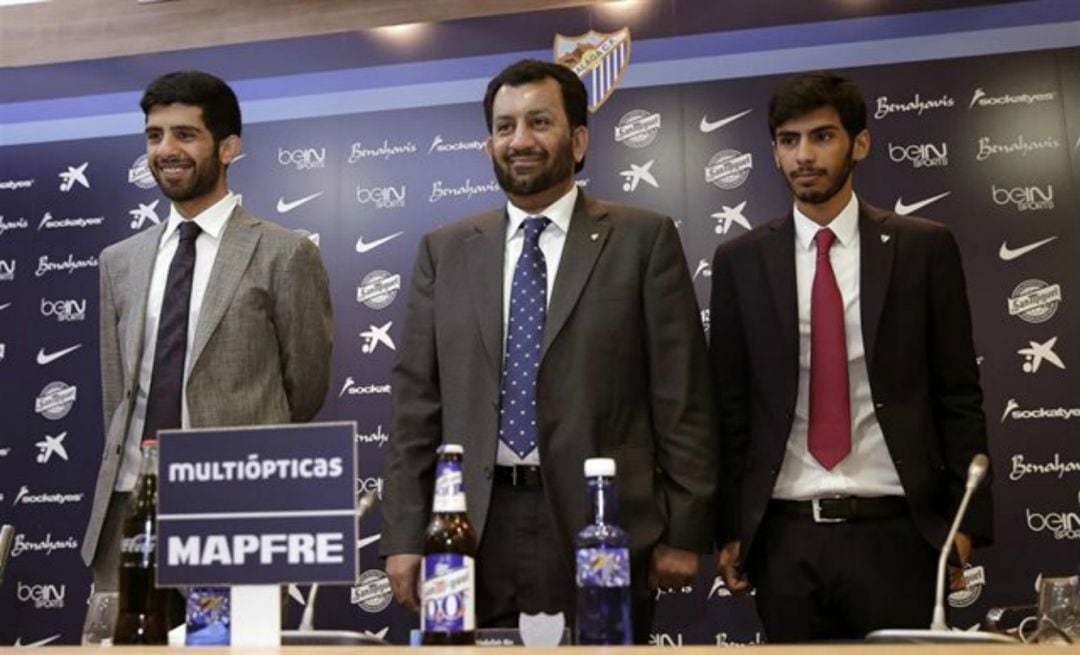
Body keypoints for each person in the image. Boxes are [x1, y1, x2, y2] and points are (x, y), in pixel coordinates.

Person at [381, 59, 716, 642]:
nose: (521, 141)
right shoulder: (445, 250)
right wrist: (407, 535)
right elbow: (416, 407)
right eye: (505, 126)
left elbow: (681, 392)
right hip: (470, 532)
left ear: (578, 140)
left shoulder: (643, 239)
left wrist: (683, 531)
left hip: (604, 526)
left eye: (540, 122)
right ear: (489, 142)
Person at [709, 70, 992, 642]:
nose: (804, 156)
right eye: (789, 141)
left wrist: (965, 529)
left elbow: (958, 392)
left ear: (859, 143)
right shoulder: (740, 259)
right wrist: (730, 529)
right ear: (774, 151)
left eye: (822, 136)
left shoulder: (922, 248)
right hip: (786, 533)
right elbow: (729, 406)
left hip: (899, 532)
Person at [81, 70, 333, 591]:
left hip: (236, 509)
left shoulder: (285, 254)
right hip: (131, 506)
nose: (166, 149)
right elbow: (117, 394)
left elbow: (302, 390)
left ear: (228, 147)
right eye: (155, 136)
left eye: (185, 134)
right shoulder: (119, 262)